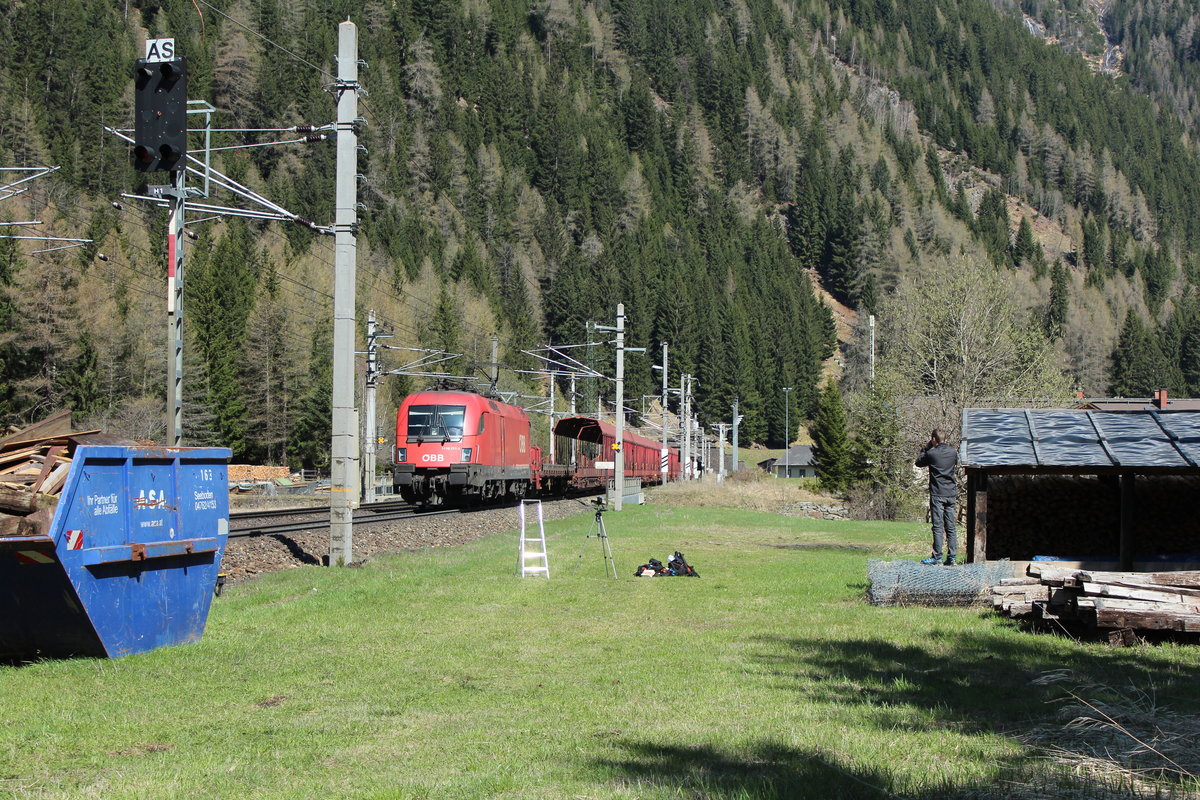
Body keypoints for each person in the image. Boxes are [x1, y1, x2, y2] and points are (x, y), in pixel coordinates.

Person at [915, 429, 958, 565]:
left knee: (938, 526)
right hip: (951, 493)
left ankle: (937, 556)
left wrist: (925, 448)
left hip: (937, 493)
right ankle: (952, 557)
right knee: (951, 526)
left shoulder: (932, 453)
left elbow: (919, 462)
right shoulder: (953, 452)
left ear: (934, 439)